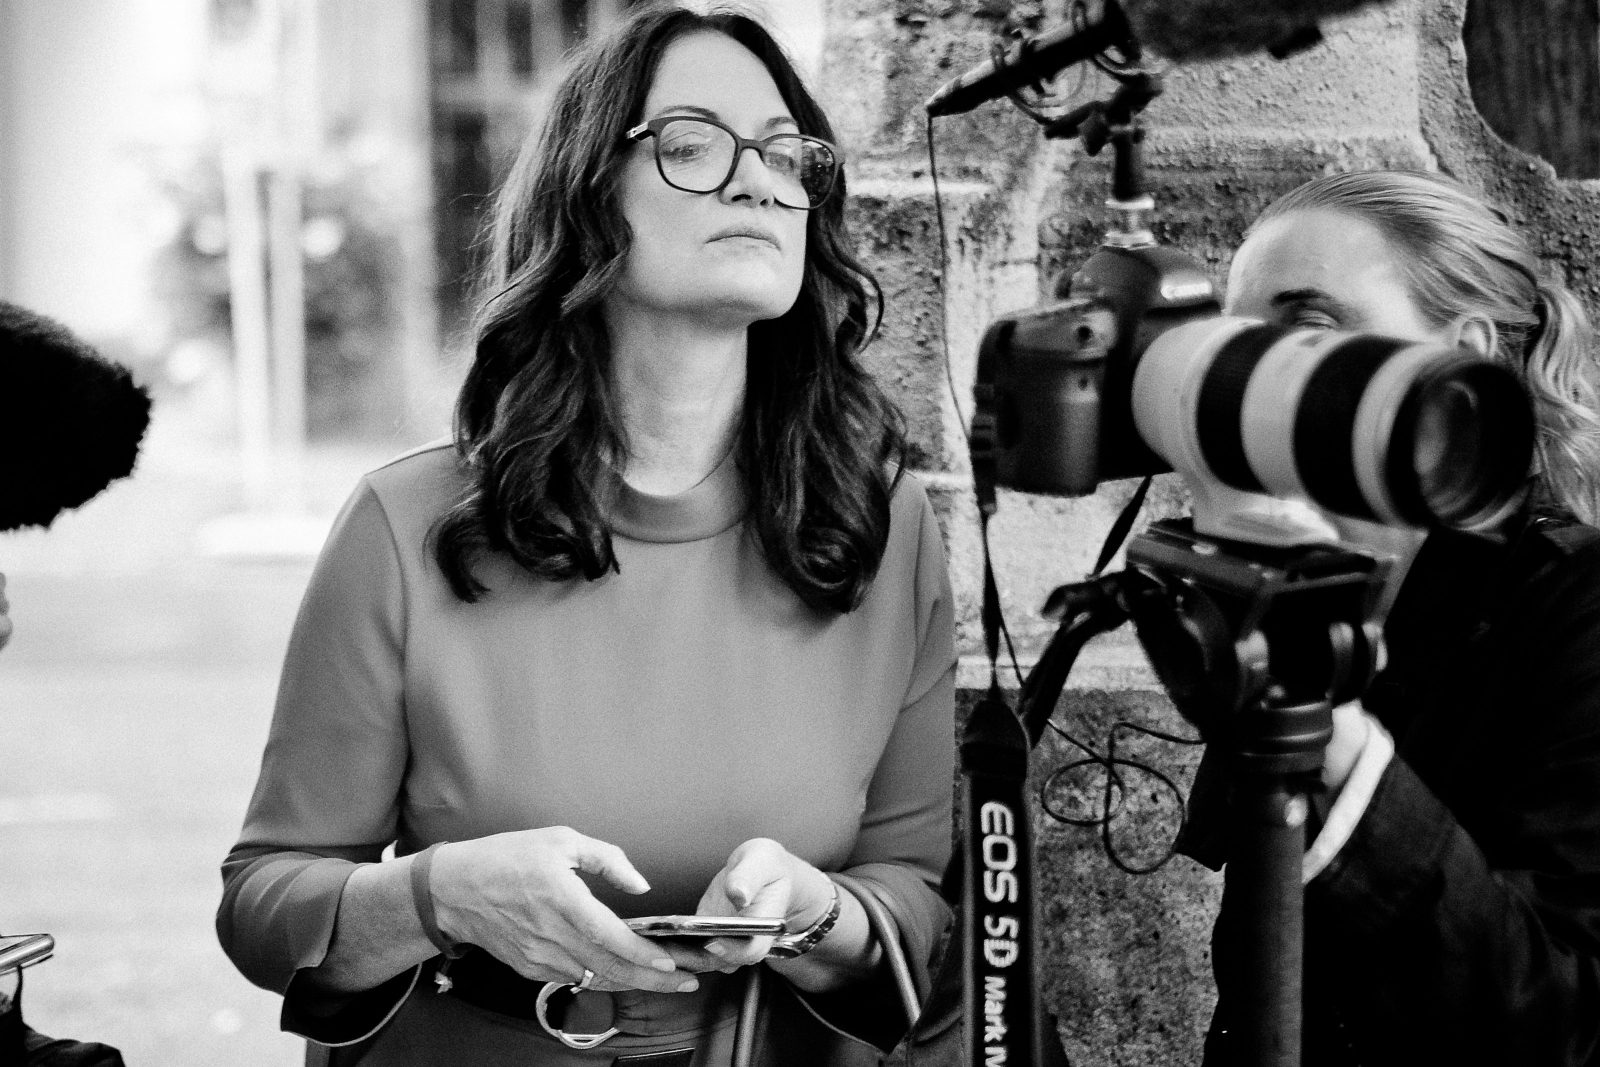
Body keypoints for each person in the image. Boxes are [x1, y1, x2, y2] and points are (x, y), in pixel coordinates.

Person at [215, 6, 956, 1066]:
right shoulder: (404, 524)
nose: (759, 182)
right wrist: (440, 896)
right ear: (585, 193)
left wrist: (812, 914)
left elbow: (914, 904)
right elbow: (265, 902)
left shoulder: (884, 527)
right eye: (694, 146)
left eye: (789, 154)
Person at [1184, 169, 1600, 1066]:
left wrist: (1331, 741)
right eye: (1234, 339)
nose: (1248, 376)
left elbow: (1560, 1015)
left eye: (1307, 330)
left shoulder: (1578, 603)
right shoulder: (1322, 582)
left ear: (1470, 354)